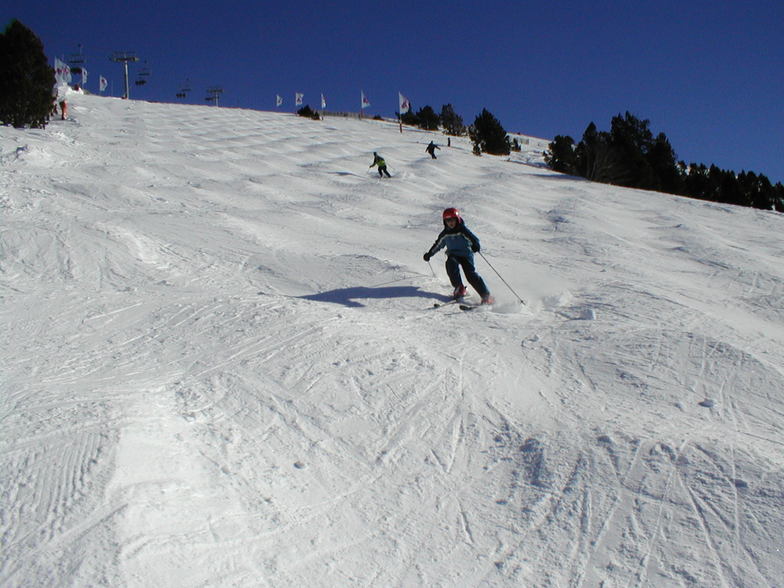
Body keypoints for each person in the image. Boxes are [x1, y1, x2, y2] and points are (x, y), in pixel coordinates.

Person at [423, 208, 494, 303]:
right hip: (453, 255)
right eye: (448, 220)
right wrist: (429, 254)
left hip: (466, 255)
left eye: (452, 220)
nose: (451, 223)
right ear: (445, 222)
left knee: (470, 275)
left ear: (457, 219)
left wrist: (475, 245)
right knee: (450, 263)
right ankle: (459, 288)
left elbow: (474, 239)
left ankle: (485, 296)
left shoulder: (462, 230)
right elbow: (438, 245)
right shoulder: (445, 234)